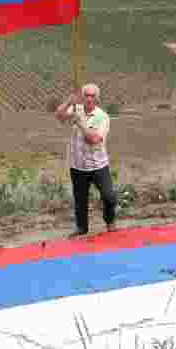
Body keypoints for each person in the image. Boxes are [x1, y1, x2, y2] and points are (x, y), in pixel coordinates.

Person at [54, 83, 118, 237]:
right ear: (82, 97)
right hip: (78, 165)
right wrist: (69, 102)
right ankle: (81, 228)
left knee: (109, 196)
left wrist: (80, 122)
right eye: (86, 95)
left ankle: (110, 221)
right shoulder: (76, 109)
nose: (89, 98)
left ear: (97, 99)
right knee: (80, 199)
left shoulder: (102, 117)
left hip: (98, 165)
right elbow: (59, 115)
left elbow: (94, 139)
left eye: (92, 96)